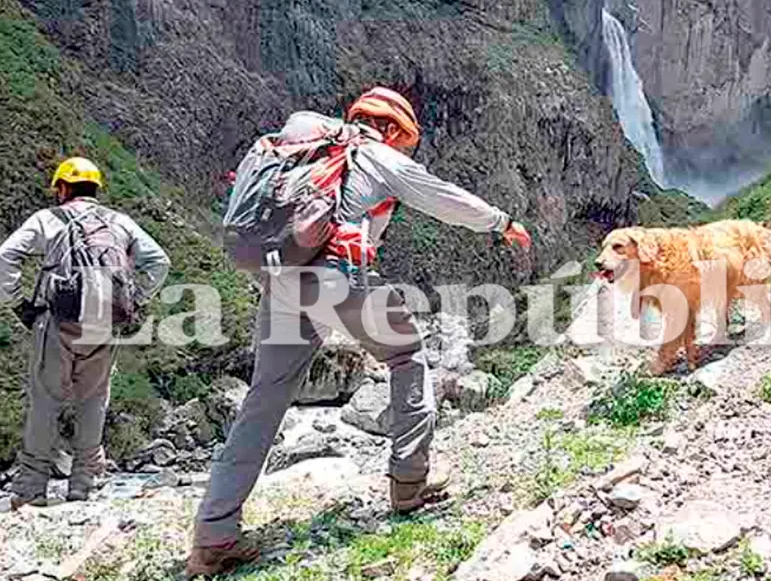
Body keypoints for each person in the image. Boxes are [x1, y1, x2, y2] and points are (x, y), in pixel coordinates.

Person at [185, 87, 532, 577]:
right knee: (406, 355)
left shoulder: (297, 143)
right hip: (332, 278)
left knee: (264, 398)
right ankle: (409, 481)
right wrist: (503, 222)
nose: (404, 150)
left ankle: (214, 534)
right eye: (405, 141)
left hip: (278, 277)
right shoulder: (375, 154)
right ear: (391, 130)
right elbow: (443, 199)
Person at [0, 157, 170, 508]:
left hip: (56, 321)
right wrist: (135, 301)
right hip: (104, 325)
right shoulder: (119, 222)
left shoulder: (48, 219)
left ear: (62, 188)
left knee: (46, 400)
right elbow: (159, 262)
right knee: (93, 400)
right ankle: (85, 485)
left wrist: (17, 303)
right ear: (96, 189)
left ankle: (32, 489)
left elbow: (6, 257)